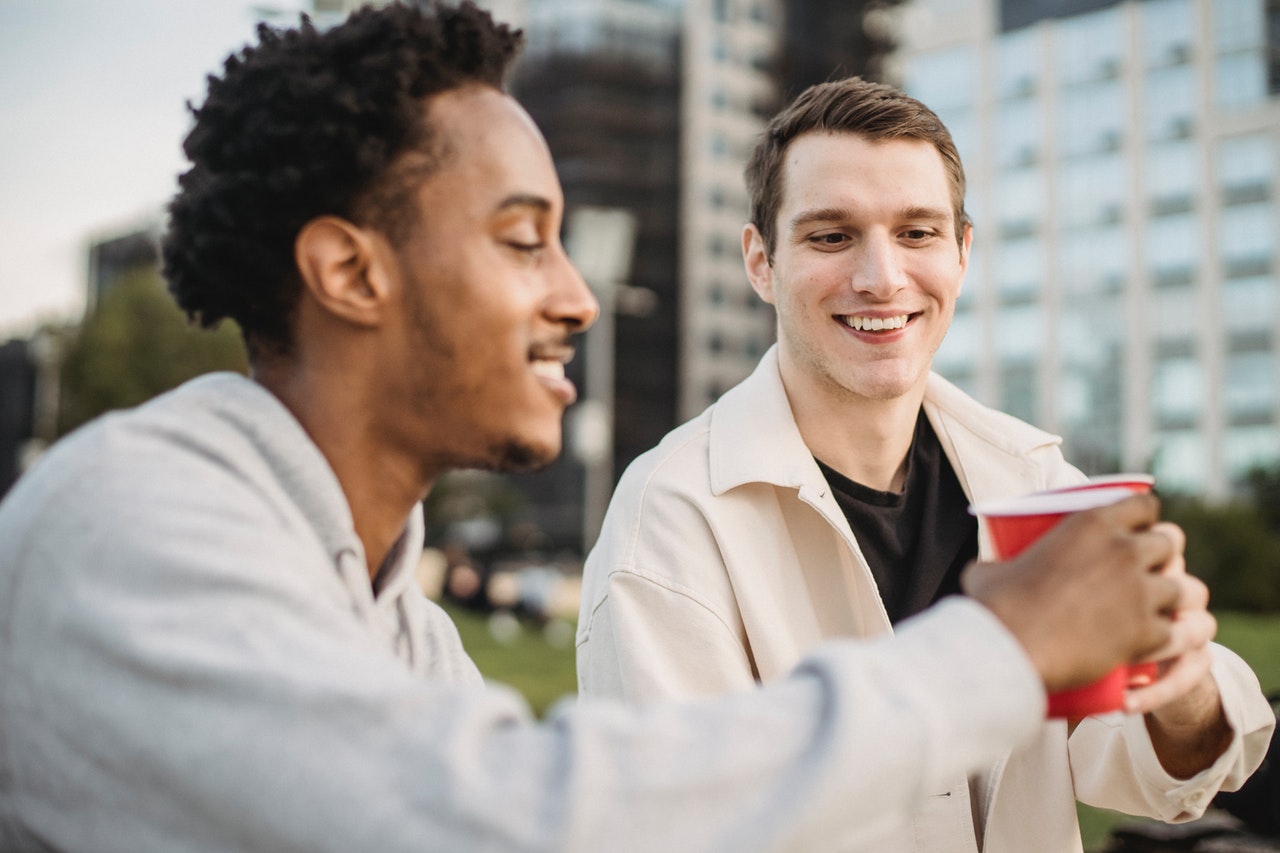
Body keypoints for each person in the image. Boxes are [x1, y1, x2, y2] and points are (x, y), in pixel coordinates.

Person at [0, 6, 1230, 851]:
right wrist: (1002, 648)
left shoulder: (392, 620)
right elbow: (532, 822)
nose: (577, 295)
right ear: (350, 272)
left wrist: (1165, 687)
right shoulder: (130, 516)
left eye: (916, 233)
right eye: (522, 237)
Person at [576, 76, 1275, 852]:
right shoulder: (670, 520)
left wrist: (1180, 688)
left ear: (963, 251)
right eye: (831, 236)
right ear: (760, 261)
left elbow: (1162, 766)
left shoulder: (1034, 479)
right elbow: (683, 827)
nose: (881, 277)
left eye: (917, 232)